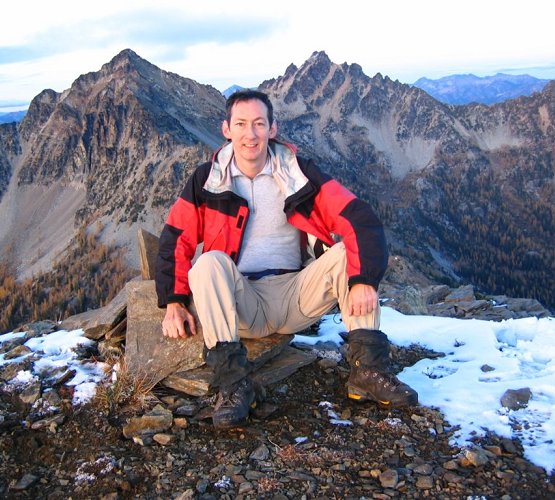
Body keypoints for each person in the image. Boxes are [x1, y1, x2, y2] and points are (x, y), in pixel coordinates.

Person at [156, 89, 418, 428]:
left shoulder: (297, 173)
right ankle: (235, 386)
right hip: (241, 301)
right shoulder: (206, 180)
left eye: (258, 124)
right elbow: (175, 239)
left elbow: (359, 218)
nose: (250, 134)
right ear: (226, 129)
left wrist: (363, 280)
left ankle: (367, 371)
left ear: (272, 129)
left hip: (295, 294)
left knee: (344, 256)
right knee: (208, 263)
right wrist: (173, 302)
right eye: (241, 124)